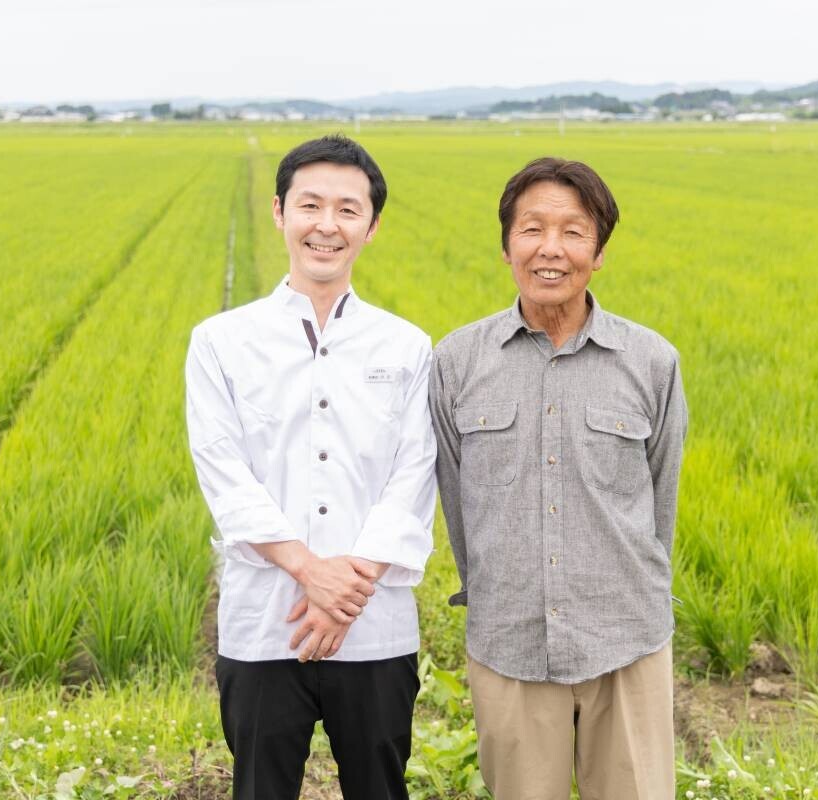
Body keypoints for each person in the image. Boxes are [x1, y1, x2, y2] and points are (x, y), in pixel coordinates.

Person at [185, 134, 437, 799]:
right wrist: (309, 571)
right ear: (279, 212)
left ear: (371, 226)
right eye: (311, 205)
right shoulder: (220, 343)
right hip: (264, 623)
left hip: (374, 627)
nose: (328, 226)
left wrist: (344, 592)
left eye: (348, 210)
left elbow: (414, 476)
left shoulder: (407, 347)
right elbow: (222, 470)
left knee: (380, 790)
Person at [429, 157, 688, 799]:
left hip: (626, 638)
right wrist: (493, 587)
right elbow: (455, 499)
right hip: (509, 638)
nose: (552, 249)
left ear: (598, 251)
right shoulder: (457, 361)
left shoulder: (651, 361)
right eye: (532, 229)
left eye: (573, 231)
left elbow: (662, 501)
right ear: (506, 244)